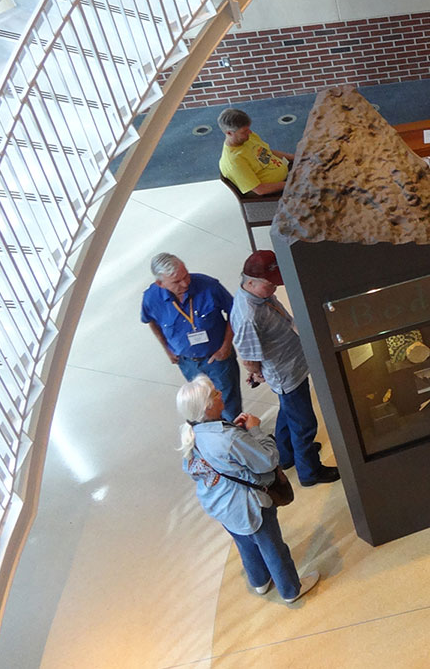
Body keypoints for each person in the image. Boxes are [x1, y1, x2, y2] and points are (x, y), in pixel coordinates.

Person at [177, 376, 319, 603]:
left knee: (245, 544)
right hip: (248, 506)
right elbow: (268, 460)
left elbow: (197, 467)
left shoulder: (191, 434)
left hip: (219, 506)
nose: (221, 392)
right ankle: (291, 590)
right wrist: (255, 431)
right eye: (215, 393)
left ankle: (260, 581)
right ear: (207, 407)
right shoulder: (228, 438)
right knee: (273, 549)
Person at [230, 249, 340, 486]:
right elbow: (248, 357)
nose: (275, 289)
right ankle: (310, 471)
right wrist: (257, 373)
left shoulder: (261, 296)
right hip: (284, 372)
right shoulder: (248, 314)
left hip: (292, 363)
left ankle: (287, 454)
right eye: (270, 285)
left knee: (288, 411)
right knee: (304, 423)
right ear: (250, 282)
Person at [141, 252, 244, 420]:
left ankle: (237, 439)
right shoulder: (151, 298)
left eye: (186, 275)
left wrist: (226, 346)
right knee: (204, 409)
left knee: (229, 408)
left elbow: (234, 312)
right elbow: (150, 321)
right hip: (188, 364)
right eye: (177, 282)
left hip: (217, 359)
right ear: (160, 283)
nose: (185, 283)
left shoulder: (209, 286)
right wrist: (167, 349)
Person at [218, 107, 293, 196]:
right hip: (275, 191)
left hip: (287, 175)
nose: (249, 132)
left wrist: (294, 157)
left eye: (248, 128)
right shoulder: (234, 161)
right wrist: (291, 184)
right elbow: (260, 189)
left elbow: (268, 152)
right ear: (229, 133)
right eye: (244, 131)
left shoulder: (247, 137)